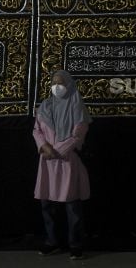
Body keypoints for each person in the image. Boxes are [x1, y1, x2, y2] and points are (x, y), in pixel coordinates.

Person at [33, 70, 92, 260]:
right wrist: (44, 146)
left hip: (66, 161)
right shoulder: (45, 106)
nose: (57, 87)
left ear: (70, 85)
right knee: (47, 205)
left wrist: (57, 150)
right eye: (54, 83)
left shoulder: (77, 107)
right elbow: (36, 130)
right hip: (48, 162)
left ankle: (75, 245)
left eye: (61, 83)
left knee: (72, 206)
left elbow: (78, 135)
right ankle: (52, 241)